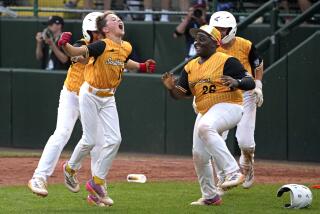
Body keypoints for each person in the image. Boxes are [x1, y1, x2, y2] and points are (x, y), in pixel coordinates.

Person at [57, 11, 156, 206]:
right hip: (90, 94)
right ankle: (69, 169)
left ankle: (97, 181)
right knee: (90, 140)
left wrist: (142, 66)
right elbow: (77, 53)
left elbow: (125, 61)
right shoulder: (100, 45)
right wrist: (64, 45)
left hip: (109, 96)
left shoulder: (125, 46)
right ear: (104, 29)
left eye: (119, 18)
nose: (118, 20)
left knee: (115, 139)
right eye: (113, 19)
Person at [162, 25, 255, 206]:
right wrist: (171, 88)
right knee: (199, 155)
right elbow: (180, 94)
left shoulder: (227, 61)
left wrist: (236, 82)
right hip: (206, 111)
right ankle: (210, 196)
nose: (197, 41)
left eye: (202, 38)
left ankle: (232, 171)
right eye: (196, 38)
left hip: (230, 105)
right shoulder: (190, 67)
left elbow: (249, 82)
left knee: (206, 127)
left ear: (215, 42)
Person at [28, 12, 105, 199]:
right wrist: (65, 45)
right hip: (72, 95)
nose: (100, 34)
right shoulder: (80, 44)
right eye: (97, 31)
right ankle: (39, 177)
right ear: (89, 32)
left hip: (92, 99)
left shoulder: (111, 47)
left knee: (100, 143)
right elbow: (82, 57)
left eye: (101, 30)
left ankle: (95, 189)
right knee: (62, 133)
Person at [209, 11, 264, 191]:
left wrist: (258, 85)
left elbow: (258, 63)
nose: (220, 33)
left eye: (223, 29)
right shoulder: (210, 47)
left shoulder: (245, 45)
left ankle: (248, 166)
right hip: (221, 95)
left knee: (245, 142)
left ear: (231, 30)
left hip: (245, 94)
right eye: (216, 29)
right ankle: (223, 179)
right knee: (216, 138)